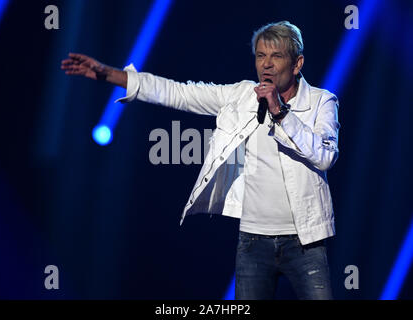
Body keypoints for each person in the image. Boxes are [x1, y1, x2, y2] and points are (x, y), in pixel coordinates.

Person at [61, 21, 340, 300]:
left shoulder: (321, 102)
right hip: (253, 240)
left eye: (276, 56)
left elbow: (325, 156)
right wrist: (110, 74)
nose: (266, 64)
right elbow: (179, 92)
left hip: (305, 242)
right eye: (260, 55)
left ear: (297, 63)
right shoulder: (242, 95)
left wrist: (280, 112)